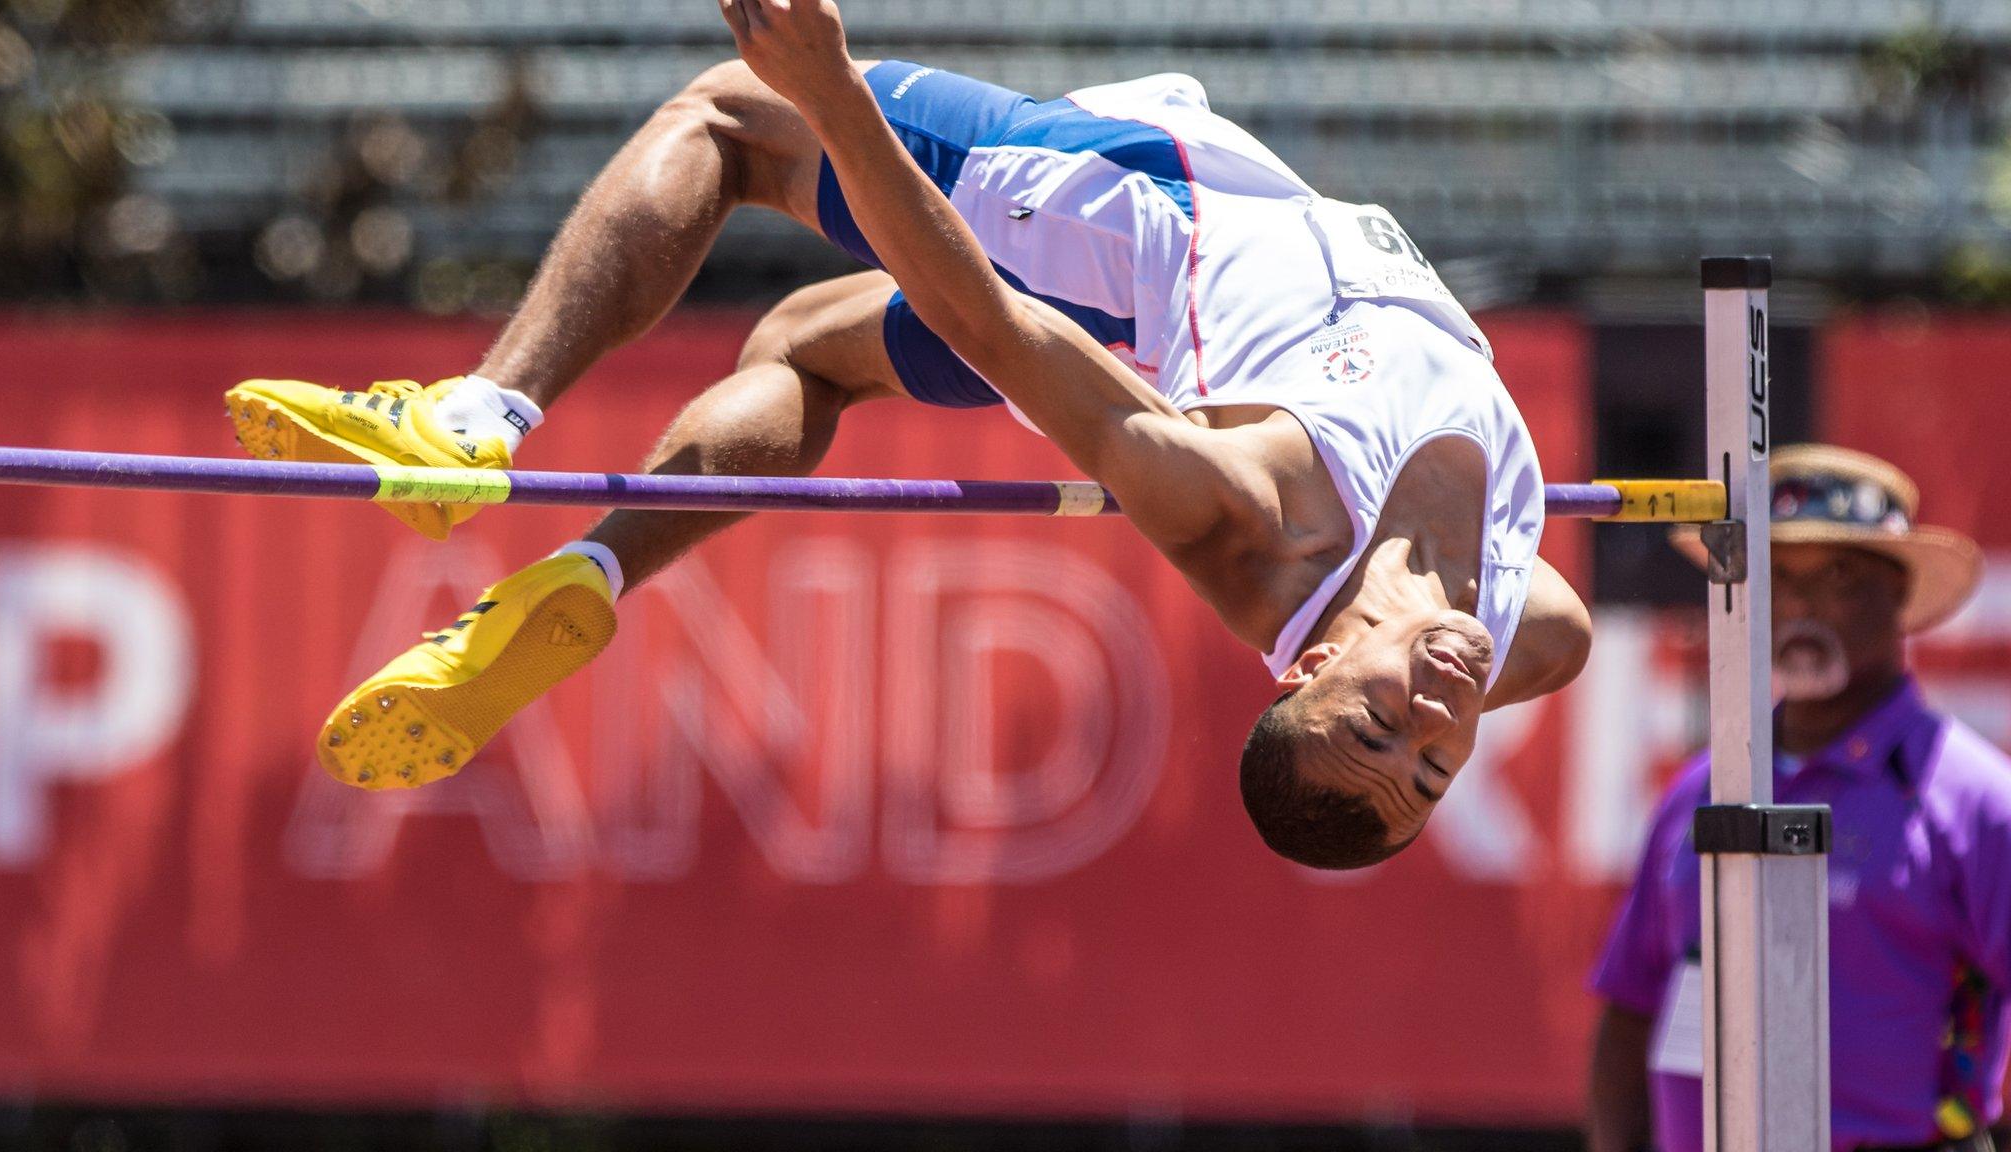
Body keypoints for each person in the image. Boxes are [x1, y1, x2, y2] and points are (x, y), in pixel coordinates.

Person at [226, 0, 1592, 869]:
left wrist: (830, 96)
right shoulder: (1536, 631)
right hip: (1148, 296)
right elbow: (1506, 640)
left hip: (1119, 224)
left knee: (727, 118)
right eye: (1432, 766)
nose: (1434, 719)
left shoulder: (1251, 510)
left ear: (1304, 676)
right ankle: (586, 579)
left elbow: (990, 324)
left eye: (1375, 729)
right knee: (804, 354)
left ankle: (477, 418)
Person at [1587, 444, 2011, 1152]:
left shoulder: (1977, 802)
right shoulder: (1699, 789)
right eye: (1775, 576)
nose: (1799, 603)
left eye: (1839, 576)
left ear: (1900, 595)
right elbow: (1633, 1006)